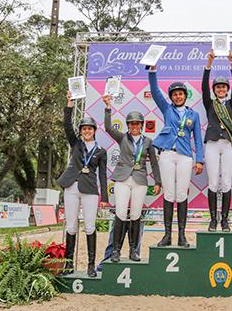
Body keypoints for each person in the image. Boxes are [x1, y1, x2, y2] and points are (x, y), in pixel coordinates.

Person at [148, 65, 204, 248]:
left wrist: (199, 160)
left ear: (185, 95)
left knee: (181, 194)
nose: (177, 96)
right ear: (171, 97)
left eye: (180, 93)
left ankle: (181, 235)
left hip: (185, 156)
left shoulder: (193, 115)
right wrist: (152, 72)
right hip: (166, 155)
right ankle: (166, 235)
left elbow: (198, 139)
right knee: (169, 194)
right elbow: (155, 92)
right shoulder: (167, 109)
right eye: (174, 94)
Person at [103, 94, 162, 261]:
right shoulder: (122, 137)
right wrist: (108, 108)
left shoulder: (148, 142)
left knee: (136, 215)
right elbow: (107, 128)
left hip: (140, 180)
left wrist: (157, 181)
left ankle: (134, 251)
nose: (134, 126)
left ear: (141, 125)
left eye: (137, 123)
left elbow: (154, 164)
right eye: (132, 123)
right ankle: (115, 251)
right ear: (128, 125)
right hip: (122, 179)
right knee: (121, 213)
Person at [57, 91, 108, 277]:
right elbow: (66, 126)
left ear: (94, 131)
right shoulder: (76, 143)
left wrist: (105, 198)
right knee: (71, 226)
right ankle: (68, 264)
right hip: (71, 187)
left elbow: (103, 175)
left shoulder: (101, 151)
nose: (86, 131)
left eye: (90, 129)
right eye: (84, 129)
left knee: (90, 226)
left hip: (90, 190)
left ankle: (90, 265)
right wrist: (69, 106)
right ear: (81, 131)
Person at [202, 49, 232, 232]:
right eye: (218, 87)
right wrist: (209, 64)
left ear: (227, 89)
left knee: (226, 182)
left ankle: (224, 220)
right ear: (214, 90)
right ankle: (212, 219)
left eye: (224, 87)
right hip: (211, 143)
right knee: (212, 182)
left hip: (228, 145)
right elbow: (203, 87)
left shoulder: (231, 103)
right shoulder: (210, 104)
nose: (221, 89)